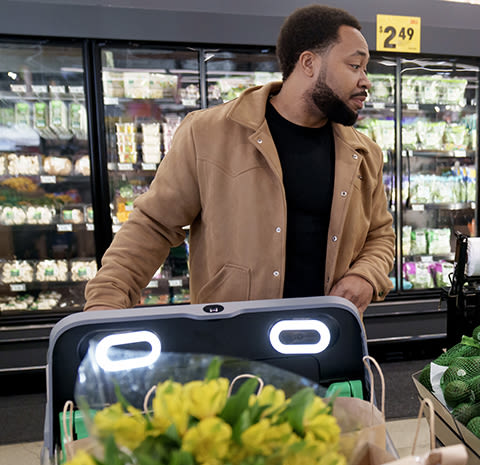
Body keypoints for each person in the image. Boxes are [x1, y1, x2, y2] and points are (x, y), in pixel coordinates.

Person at [84, 5, 395, 315]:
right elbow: (153, 225)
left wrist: (365, 275)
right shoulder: (207, 133)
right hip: (231, 345)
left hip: (327, 339)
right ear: (309, 63)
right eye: (355, 66)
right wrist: (104, 302)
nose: (366, 81)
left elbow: (380, 235)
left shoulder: (364, 153)